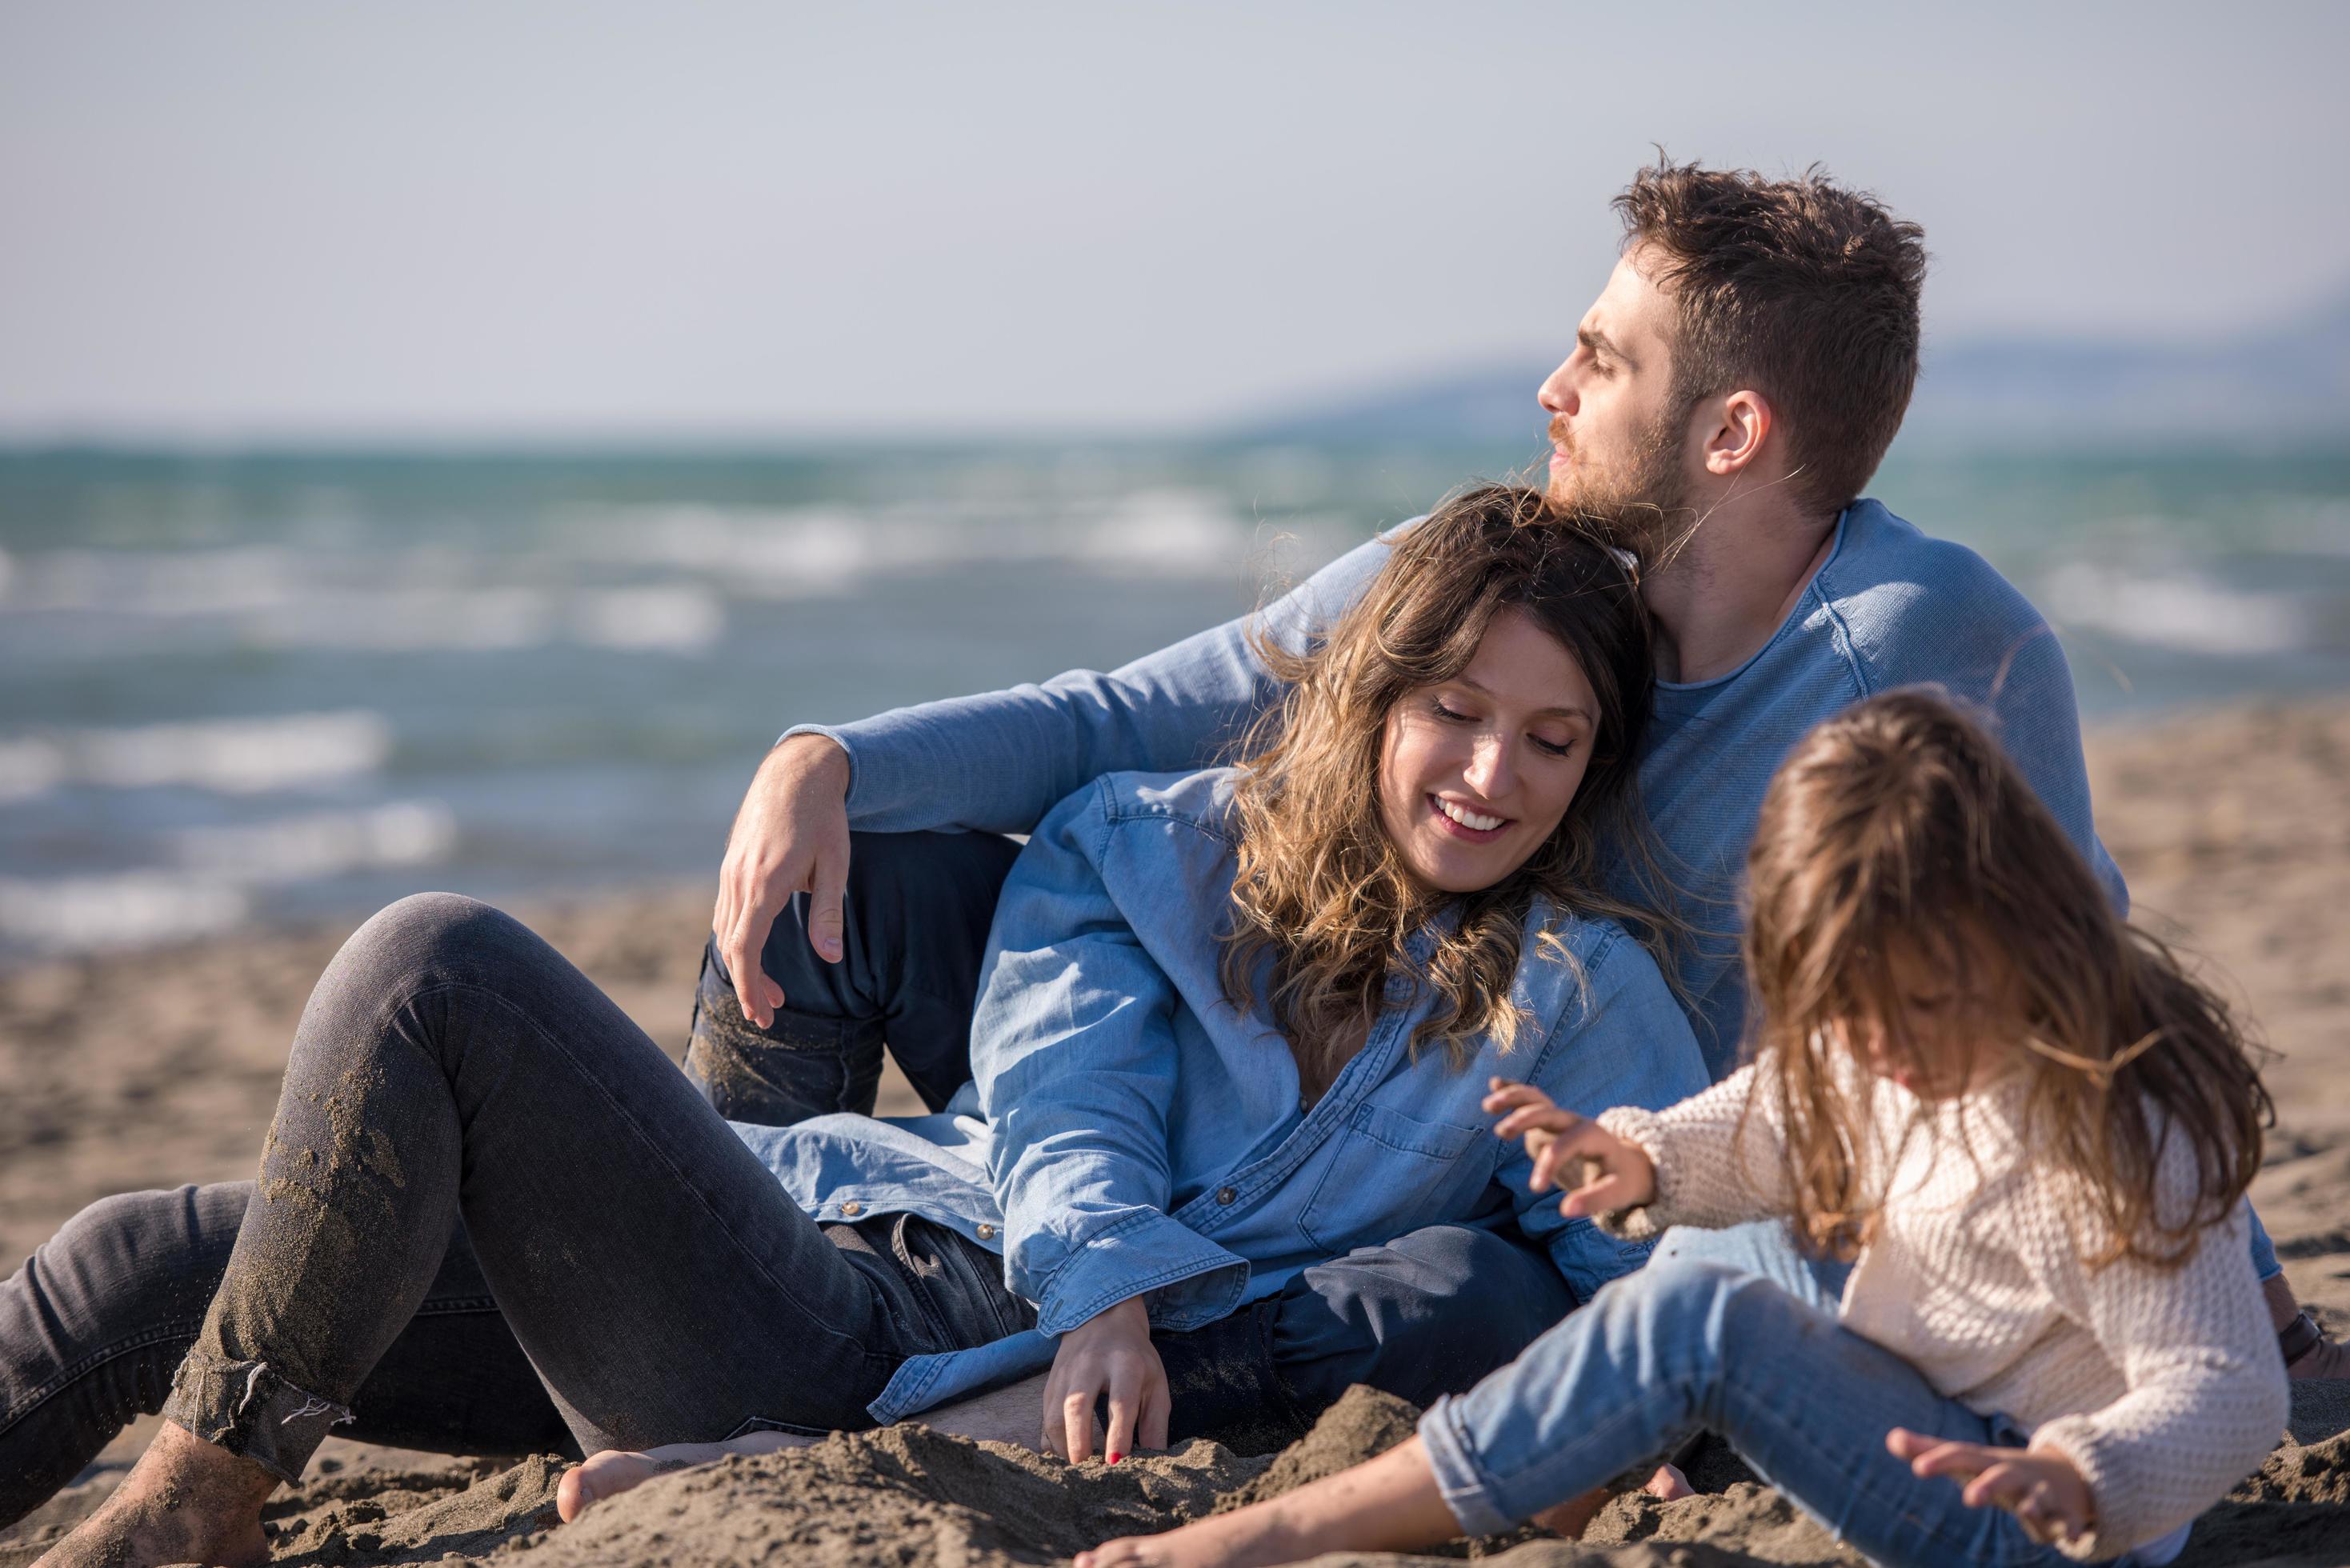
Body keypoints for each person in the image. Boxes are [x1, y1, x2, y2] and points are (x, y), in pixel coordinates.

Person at [695, 157, 2330, 1372]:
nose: (1551, 391)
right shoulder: (1504, 576)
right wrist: (823, 756)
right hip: (1318, 1050)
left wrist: (2224, 1279)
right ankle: (717, 1275)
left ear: (1732, 433)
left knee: (1455, 1287)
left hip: (1528, 1165)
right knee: (842, 884)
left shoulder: (1924, 642)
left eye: (1600, 360)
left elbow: (2078, 982)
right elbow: (1126, 719)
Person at [33, 488, 1711, 1568]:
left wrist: (1651, 1426)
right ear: (1369, 693)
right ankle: (214, 1467)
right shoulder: (1146, 840)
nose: (1493, 775)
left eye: (1552, 740)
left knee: (434, 954)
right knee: (127, 1258)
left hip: (900, 1380)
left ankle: (198, 1497)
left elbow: (1628, 1263)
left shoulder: (1580, 996)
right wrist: (1104, 1280)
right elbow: (1066, 1084)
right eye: (1455, 711)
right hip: (821, 1268)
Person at [1077, 689, 2288, 1568]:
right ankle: (1560, 1499)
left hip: (2029, 1514)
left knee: (1693, 1318)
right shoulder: (1887, 1036)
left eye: (1918, 1006)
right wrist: (1641, 1158)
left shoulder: (2110, 1130)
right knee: (1703, 1257)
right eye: (1842, 1009)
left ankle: (1286, 1533)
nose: (1875, 1047)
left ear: (2023, 936)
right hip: (1930, 1395)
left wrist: (2084, 1473)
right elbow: (1773, 1120)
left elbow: (2229, 1390)